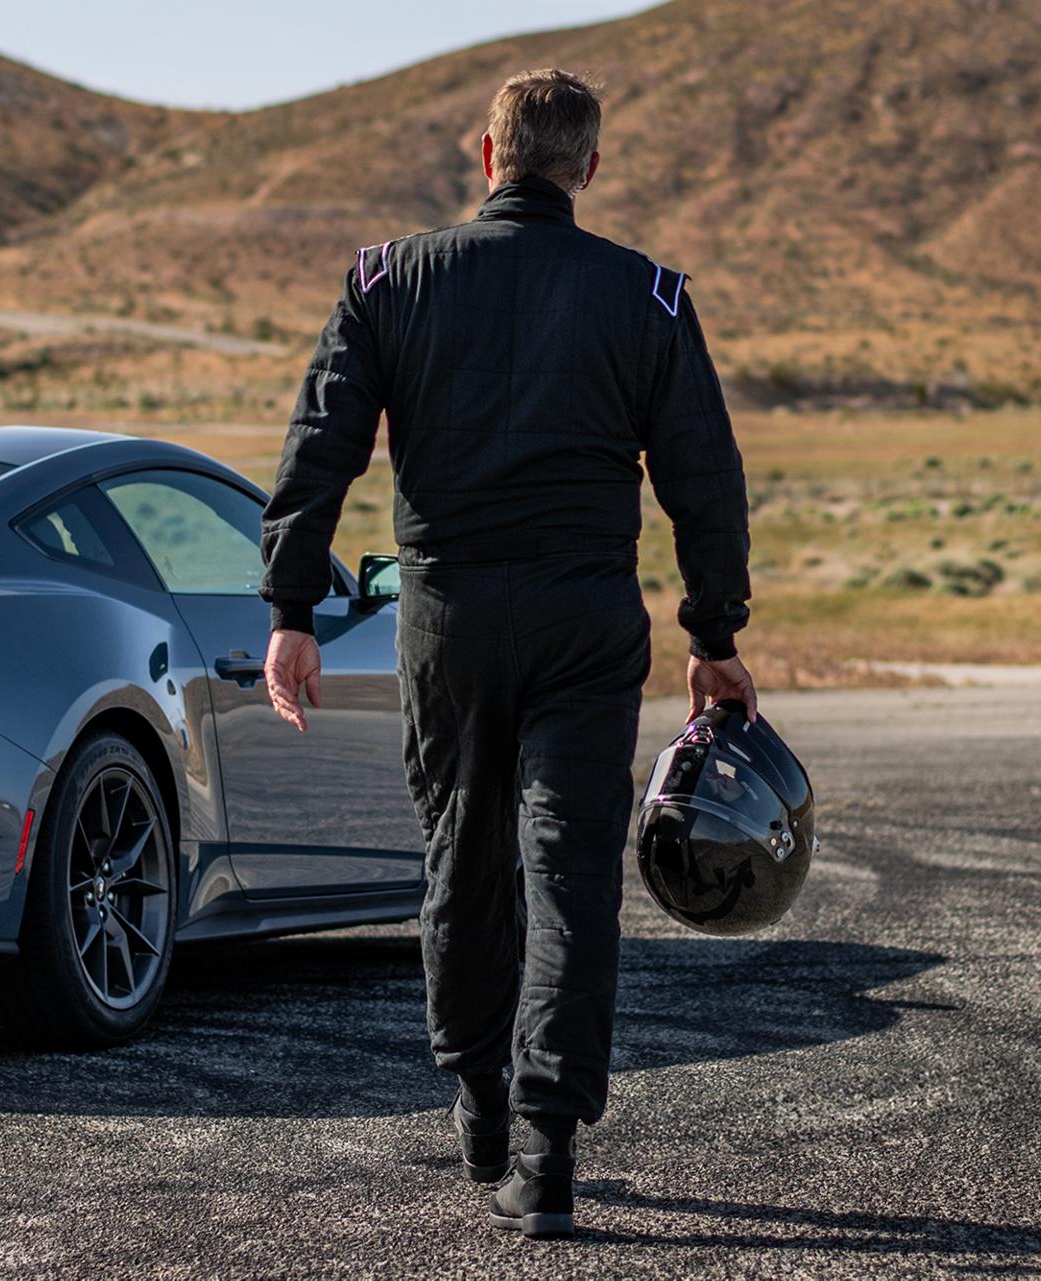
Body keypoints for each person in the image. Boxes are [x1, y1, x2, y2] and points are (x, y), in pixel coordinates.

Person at [258, 68, 753, 1238]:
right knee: (570, 877)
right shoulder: (648, 296)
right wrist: (714, 634)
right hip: (588, 619)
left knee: (463, 857)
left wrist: (290, 608)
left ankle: (480, 1102)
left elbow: (320, 444)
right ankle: (545, 1151)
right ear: (588, 168)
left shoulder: (389, 280)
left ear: (488, 157)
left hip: (450, 618)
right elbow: (705, 476)